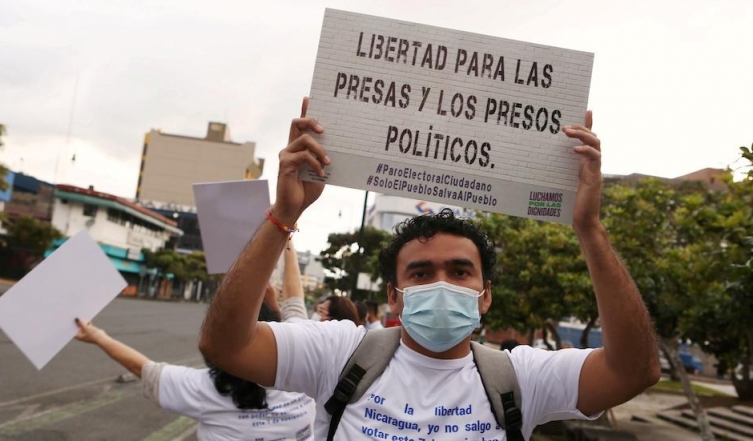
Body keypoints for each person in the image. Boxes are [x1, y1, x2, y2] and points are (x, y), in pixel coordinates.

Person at [198, 98, 660, 440]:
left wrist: (590, 228)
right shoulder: (339, 354)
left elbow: (634, 371)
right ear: (393, 295)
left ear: (486, 294)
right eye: (420, 273)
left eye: (460, 271)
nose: (442, 282)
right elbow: (225, 344)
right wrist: (284, 216)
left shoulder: (522, 379)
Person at [76, 246, 316, 441]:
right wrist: (287, 240)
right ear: (274, 325)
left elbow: (145, 369)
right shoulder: (301, 364)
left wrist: (98, 337)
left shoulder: (206, 391)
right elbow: (295, 299)